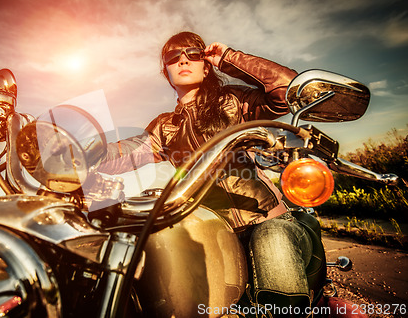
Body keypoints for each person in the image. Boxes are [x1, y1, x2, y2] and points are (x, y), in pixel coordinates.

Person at [98, 31, 313, 317]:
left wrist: (228, 57)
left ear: (205, 64)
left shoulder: (234, 101)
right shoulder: (165, 127)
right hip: (216, 231)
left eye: (192, 54)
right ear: (167, 71)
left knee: (271, 240)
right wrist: (81, 155)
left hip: (265, 218)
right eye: (173, 57)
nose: (183, 60)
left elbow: (286, 91)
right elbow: (124, 152)